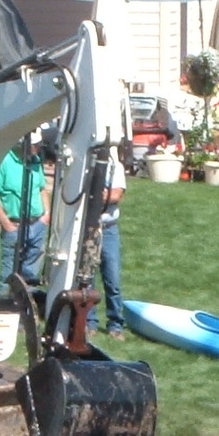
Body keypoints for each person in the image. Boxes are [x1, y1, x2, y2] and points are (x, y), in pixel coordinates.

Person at [0, 140, 49, 285]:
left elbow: (42, 188)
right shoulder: (4, 161)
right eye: (37, 145)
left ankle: (25, 306)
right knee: (8, 276)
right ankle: (4, 305)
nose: (39, 148)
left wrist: (46, 215)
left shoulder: (35, 160)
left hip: (37, 225)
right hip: (15, 226)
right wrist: (6, 224)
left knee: (31, 277)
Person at [94, 144, 128, 338]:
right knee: (86, 279)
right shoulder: (85, 164)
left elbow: (115, 195)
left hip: (108, 229)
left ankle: (115, 324)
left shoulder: (116, 167)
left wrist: (94, 194)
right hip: (88, 228)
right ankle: (89, 322)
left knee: (112, 279)